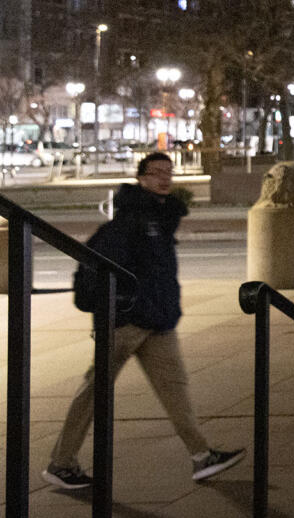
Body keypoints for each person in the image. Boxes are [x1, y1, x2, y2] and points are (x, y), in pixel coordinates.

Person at [42, 152, 244, 491]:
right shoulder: (128, 222)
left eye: (169, 172)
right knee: (95, 392)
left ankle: (201, 455)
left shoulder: (159, 217)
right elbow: (100, 271)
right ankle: (61, 463)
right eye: (156, 173)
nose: (164, 178)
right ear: (141, 178)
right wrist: (121, 308)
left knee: (175, 389)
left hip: (157, 322)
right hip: (127, 325)